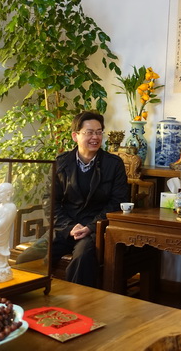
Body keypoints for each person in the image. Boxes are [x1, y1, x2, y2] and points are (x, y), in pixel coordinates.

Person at [52, 110, 128, 287]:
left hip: (94, 229)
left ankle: (76, 307)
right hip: (66, 228)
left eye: (99, 132)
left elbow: (117, 202)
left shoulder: (113, 164)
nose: (96, 137)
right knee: (30, 259)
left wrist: (90, 227)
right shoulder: (61, 162)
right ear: (75, 136)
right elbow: (51, 201)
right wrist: (70, 227)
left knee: (82, 257)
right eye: (90, 132)